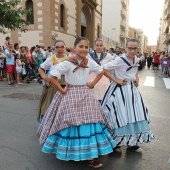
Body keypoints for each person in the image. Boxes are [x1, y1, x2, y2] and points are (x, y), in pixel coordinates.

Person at [38, 37, 116, 168]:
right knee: (69, 122)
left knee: (90, 122)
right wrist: (62, 91)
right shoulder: (67, 62)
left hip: (85, 94)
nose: (84, 49)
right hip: (71, 94)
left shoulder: (89, 61)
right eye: (81, 46)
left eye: (86, 47)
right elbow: (53, 76)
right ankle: (70, 152)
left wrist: (92, 83)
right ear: (74, 48)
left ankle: (90, 156)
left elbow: (101, 71)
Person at [101, 38, 154, 153]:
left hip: (132, 91)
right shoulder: (120, 60)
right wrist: (116, 80)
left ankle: (132, 142)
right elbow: (104, 69)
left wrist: (136, 79)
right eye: (130, 48)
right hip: (119, 90)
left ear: (137, 49)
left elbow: (134, 71)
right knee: (118, 116)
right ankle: (115, 143)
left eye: (135, 48)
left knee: (135, 115)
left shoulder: (137, 58)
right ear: (126, 48)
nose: (132, 51)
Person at [37, 40, 68, 124]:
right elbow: (41, 68)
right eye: (57, 47)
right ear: (54, 48)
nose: (60, 49)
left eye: (62, 47)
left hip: (64, 84)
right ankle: (46, 126)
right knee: (48, 105)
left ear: (65, 48)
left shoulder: (69, 59)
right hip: (52, 84)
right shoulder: (51, 59)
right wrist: (45, 78)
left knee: (63, 107)